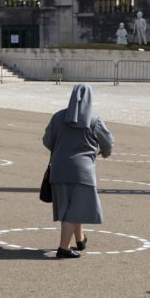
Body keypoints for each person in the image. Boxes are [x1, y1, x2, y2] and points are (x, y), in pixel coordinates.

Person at [43, 84, 114, 258]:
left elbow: (47, 141)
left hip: (59, 169)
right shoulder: (95, 120)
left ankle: (80, 239)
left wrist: (60, 147)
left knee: (72, 207)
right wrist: (103, 153)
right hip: (82, 172)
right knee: (74, 209)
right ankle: (63, 248)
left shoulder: (58, 117)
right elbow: (109, 143)